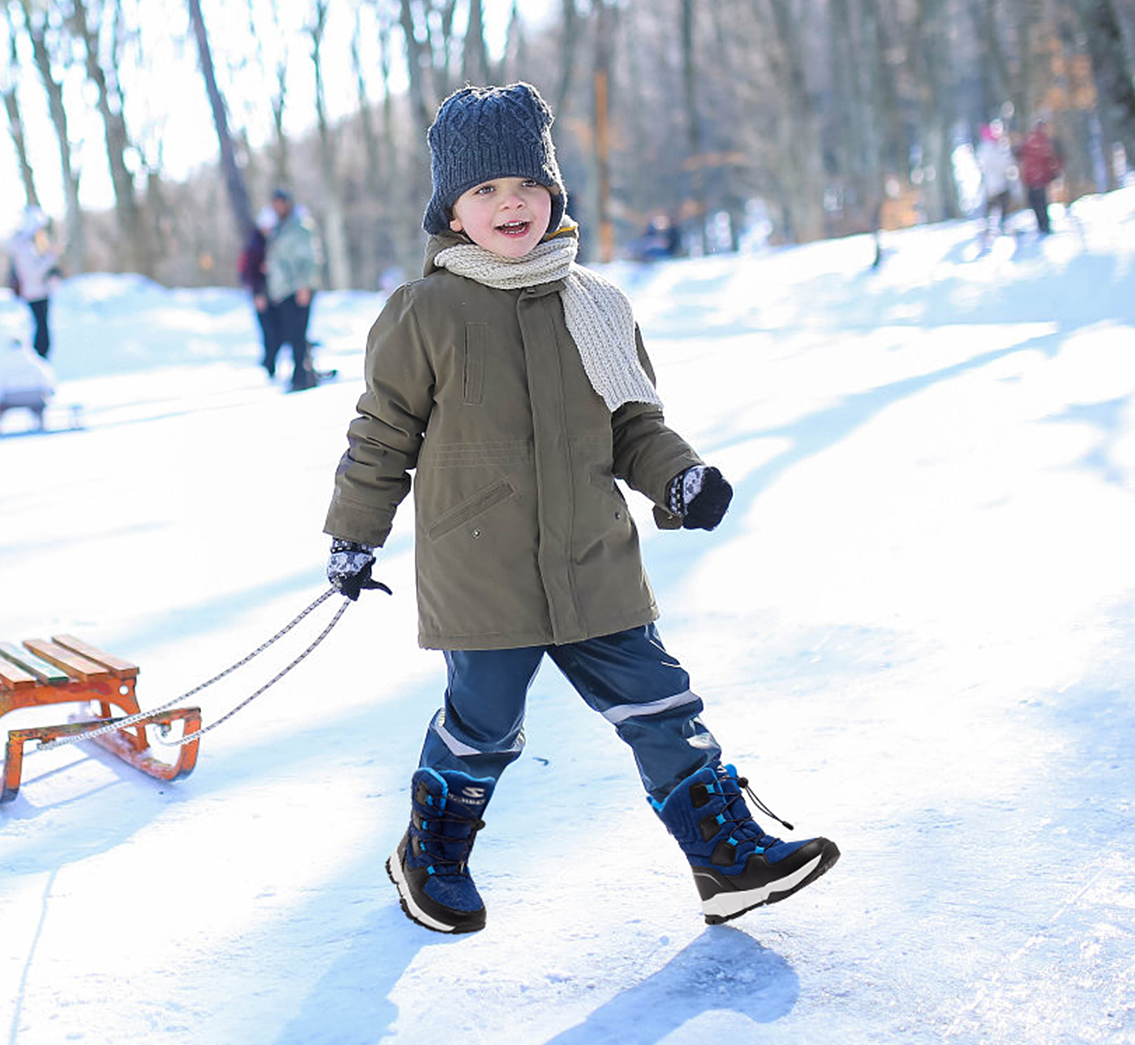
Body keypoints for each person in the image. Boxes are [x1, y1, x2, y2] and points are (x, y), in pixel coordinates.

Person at [321, 82, 840, 935]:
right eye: (484, 190)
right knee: (482, 726)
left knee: (661, 703)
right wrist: (352, 535)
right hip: (480, 566)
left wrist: (677, 478)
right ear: (452, 211)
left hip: (592, 557)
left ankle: (728, 860)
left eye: (523, 184)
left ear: (553, 193)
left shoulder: (595, 304)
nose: (508, 203)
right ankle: (432, 856)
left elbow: (634, 423)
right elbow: (381, 436)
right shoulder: (425, 313)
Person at [263, 187, 325, 391]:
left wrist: (304, 286)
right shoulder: (278, 228)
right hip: (283, 291)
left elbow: (309, 258)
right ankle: (305, 373)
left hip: (298, 289)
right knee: (292, 334)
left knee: (298, 334)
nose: (277, 208)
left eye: (280, 203)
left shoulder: (299, 226)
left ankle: (301, 378)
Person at [7, 207, 63, 360]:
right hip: (35, 292)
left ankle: (39, 361)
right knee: (41, 331)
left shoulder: (30, 244)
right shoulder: (24, 246)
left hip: (39, 291)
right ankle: (38, 362)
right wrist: (51, 257)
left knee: (42, 329)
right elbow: (34, 272)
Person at [239, 208, 283, 379]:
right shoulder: (255, 247)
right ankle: (269, 365)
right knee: (269, 333)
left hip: (273, 295)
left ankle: (270, 363)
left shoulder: (271, 243)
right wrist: (257, 294)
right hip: (262, 296)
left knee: (276, 331)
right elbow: (249, 274)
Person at [0, 337, 57, 435]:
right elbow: (45, 378)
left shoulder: (5, 363)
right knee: (39, 405)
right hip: (35, 397)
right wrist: (49, 392)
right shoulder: (35, 360)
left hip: (10, 399)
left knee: (0, 407)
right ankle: (41, 423)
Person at [1014, 120, 1063, 236]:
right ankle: (1044, 226)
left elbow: (1018, 153)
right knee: (1042, 203)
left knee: (1035, 204)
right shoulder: (1046, 142)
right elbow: (1052, 160)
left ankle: (1041, 226)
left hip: (1030, 178)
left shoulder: (1029, 140)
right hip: (1041, 178)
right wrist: (1054, 173)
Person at [975, 122, 1015, 238]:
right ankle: (1000, 225)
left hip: (990, 183)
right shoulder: (992, 148)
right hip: (998, 182)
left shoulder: (983, 149)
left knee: (992, 205)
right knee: (1001, 204)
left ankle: (988, 226)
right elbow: (1002, 164)